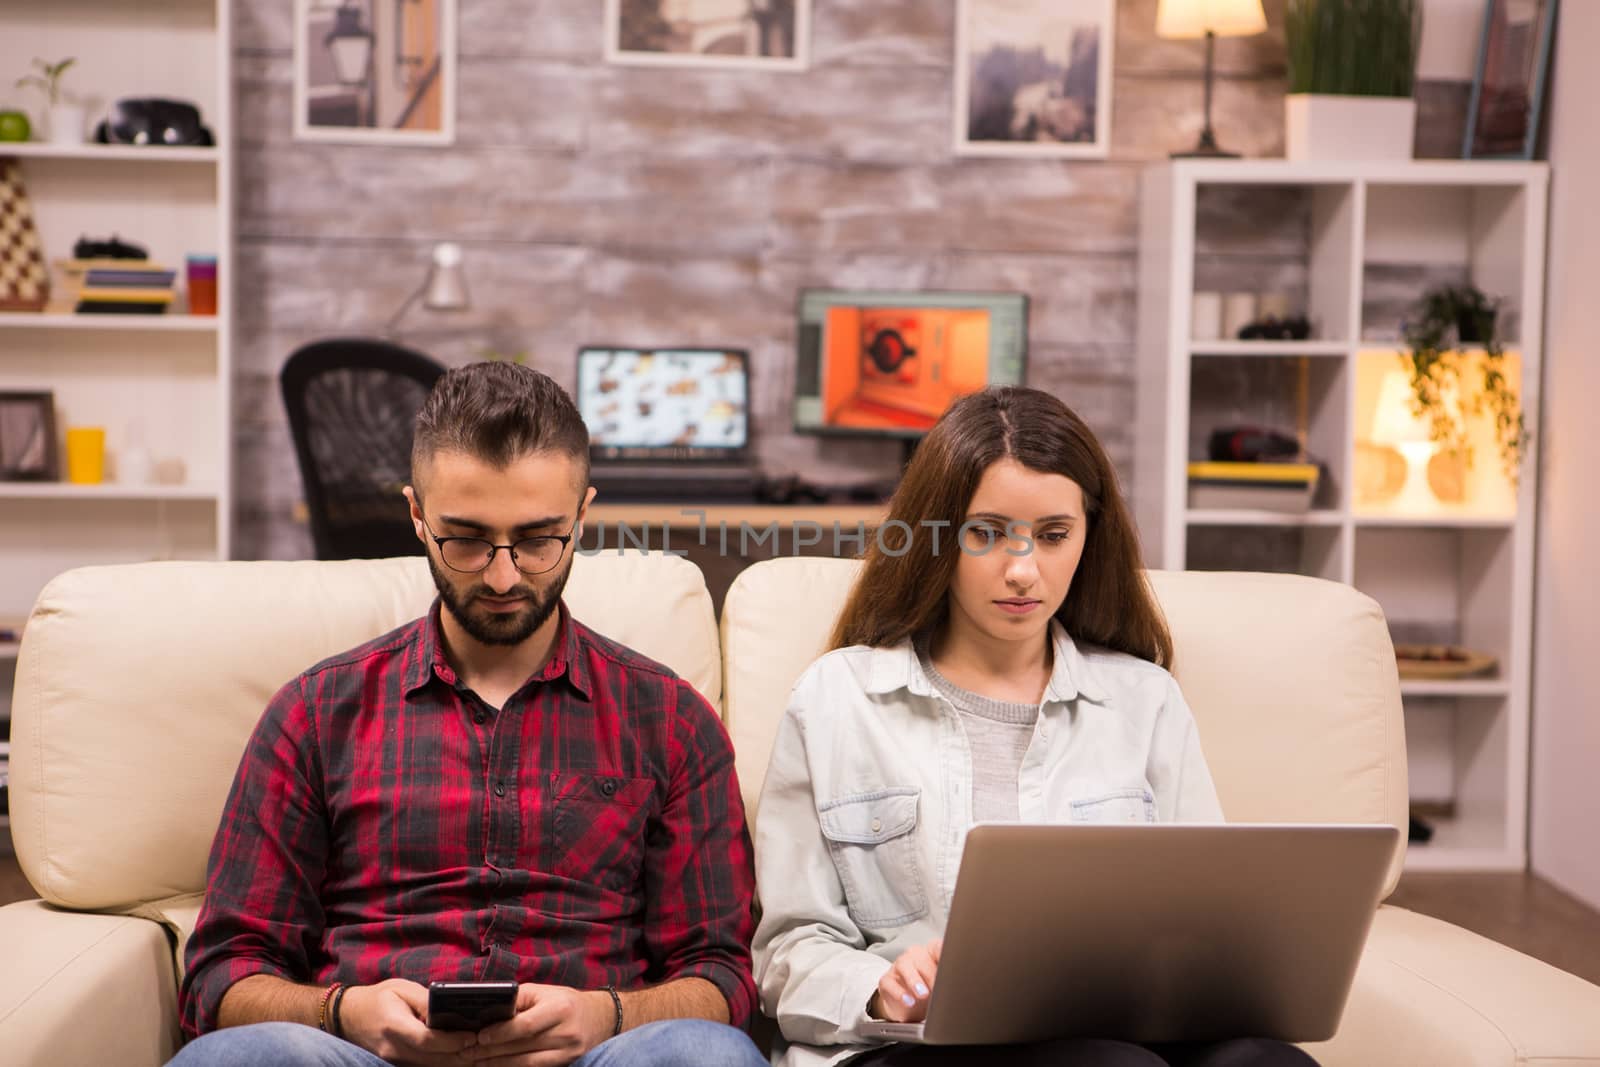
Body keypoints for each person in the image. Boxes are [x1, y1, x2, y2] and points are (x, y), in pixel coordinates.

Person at [174, 362, 766, 1067]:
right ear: (417, 515)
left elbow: (723, 978)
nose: (503, 576)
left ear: (583, 515)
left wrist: (606, 1014)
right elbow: (219, 976)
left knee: (708, 1054)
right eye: (466, 539)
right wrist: (344, 1011)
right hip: (366, 1056)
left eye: (540, 539)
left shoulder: (669, 721)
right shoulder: (315, 713)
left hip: (595, 1056)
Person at [751, 386, 1319, 1067]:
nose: (1023, 571)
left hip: (1115, 1034)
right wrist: (881, 988)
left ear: (1089, 534)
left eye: (1053, 535)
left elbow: (1210, 928)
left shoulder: (1145, 700)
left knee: (1265, 1061)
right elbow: (786, 951)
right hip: (914, 1050)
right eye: (986, 533)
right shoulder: (837, 698)